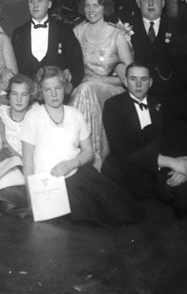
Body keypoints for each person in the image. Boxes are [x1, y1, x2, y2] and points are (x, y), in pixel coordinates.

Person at [21, 66, 144, 226]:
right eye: (47, 90)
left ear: (64, 87)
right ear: (41, 92)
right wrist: (31, 199)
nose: (54, 94)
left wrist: (70, 164)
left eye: (58, 88)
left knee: (120, 210)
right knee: (75, 218)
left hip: (76, 174)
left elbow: (88, 152)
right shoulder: (32, 117)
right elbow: (28, 161)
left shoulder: (75, 114)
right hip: (48, 183)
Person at [102, 64, 187, 214]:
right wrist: (171, 162)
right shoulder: (113, 105)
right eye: (133, 79)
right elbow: (121, 149)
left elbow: (176, 136)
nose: (138, 84)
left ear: (150, 82)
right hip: (126, 166)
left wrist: (183, 164)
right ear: (125, 81)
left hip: (155, 167)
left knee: (183, 186)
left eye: (144, 79)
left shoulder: (161, 103)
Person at [68, 0, 133, 169]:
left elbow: (132, 78)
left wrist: (100, 80)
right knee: (85, 89)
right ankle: (73, 152)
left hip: (110, 90)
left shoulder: (116, 35)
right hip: (81, 87)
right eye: (87, 5)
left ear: (105, 8)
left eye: (96, 5)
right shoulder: (77, 31)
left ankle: (93, 158)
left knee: (87, 89)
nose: (91, 10)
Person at [130, 0, 187, 121]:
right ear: (138, 3)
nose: (150, 3)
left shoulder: (179, 27)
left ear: (163, 2)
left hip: (177, 97)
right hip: (143, 99)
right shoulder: (128, 28)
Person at [11, 0, 82, 82]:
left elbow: (77, 63)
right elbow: (13, 66)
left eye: (39, 1)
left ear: (49, 4)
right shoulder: (18, 33)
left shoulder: (64, 30)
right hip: (28, 88)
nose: (35, 5)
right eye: (31, 1)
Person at [0, 74, 35, 211]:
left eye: (24, 95)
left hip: (32, 169)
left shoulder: (36, 115)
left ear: (30, 97)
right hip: (9, 169)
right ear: (8, 96)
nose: (19, 99)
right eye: (14, 94)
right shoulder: (0, 116)